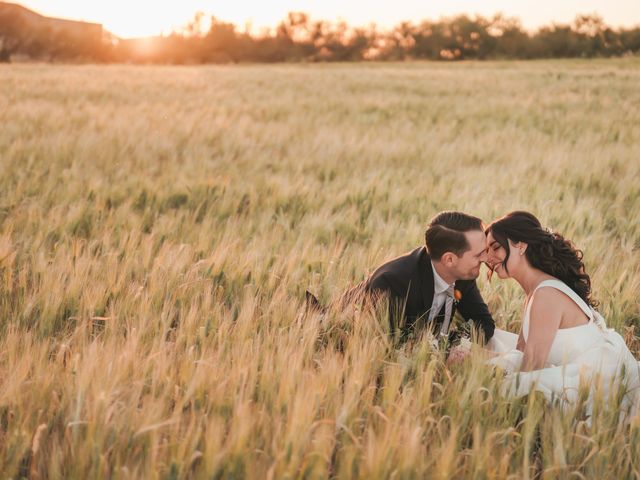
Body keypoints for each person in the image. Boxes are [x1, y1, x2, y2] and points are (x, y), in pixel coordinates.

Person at [485, 211, 640, 418]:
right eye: (486, 250)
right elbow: (520, 353)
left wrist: (489, 372)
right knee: (493, 351)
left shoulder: (545, 294)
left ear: (520, 245)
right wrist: (478, 358)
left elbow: (530, 367)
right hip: (578, 373)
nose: (488, 257)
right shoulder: (534, 292)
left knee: (509, 386)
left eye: (495, 247)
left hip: (596, 380)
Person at [337, 211, 495, 343]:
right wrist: (443, 349)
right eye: (478, 254)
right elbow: (390, 344)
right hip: (339, 331)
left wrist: (456, 345)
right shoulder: (391, 284)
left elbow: (483, 323)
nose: (486, 259)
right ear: (449, 259)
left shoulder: (463, 273)